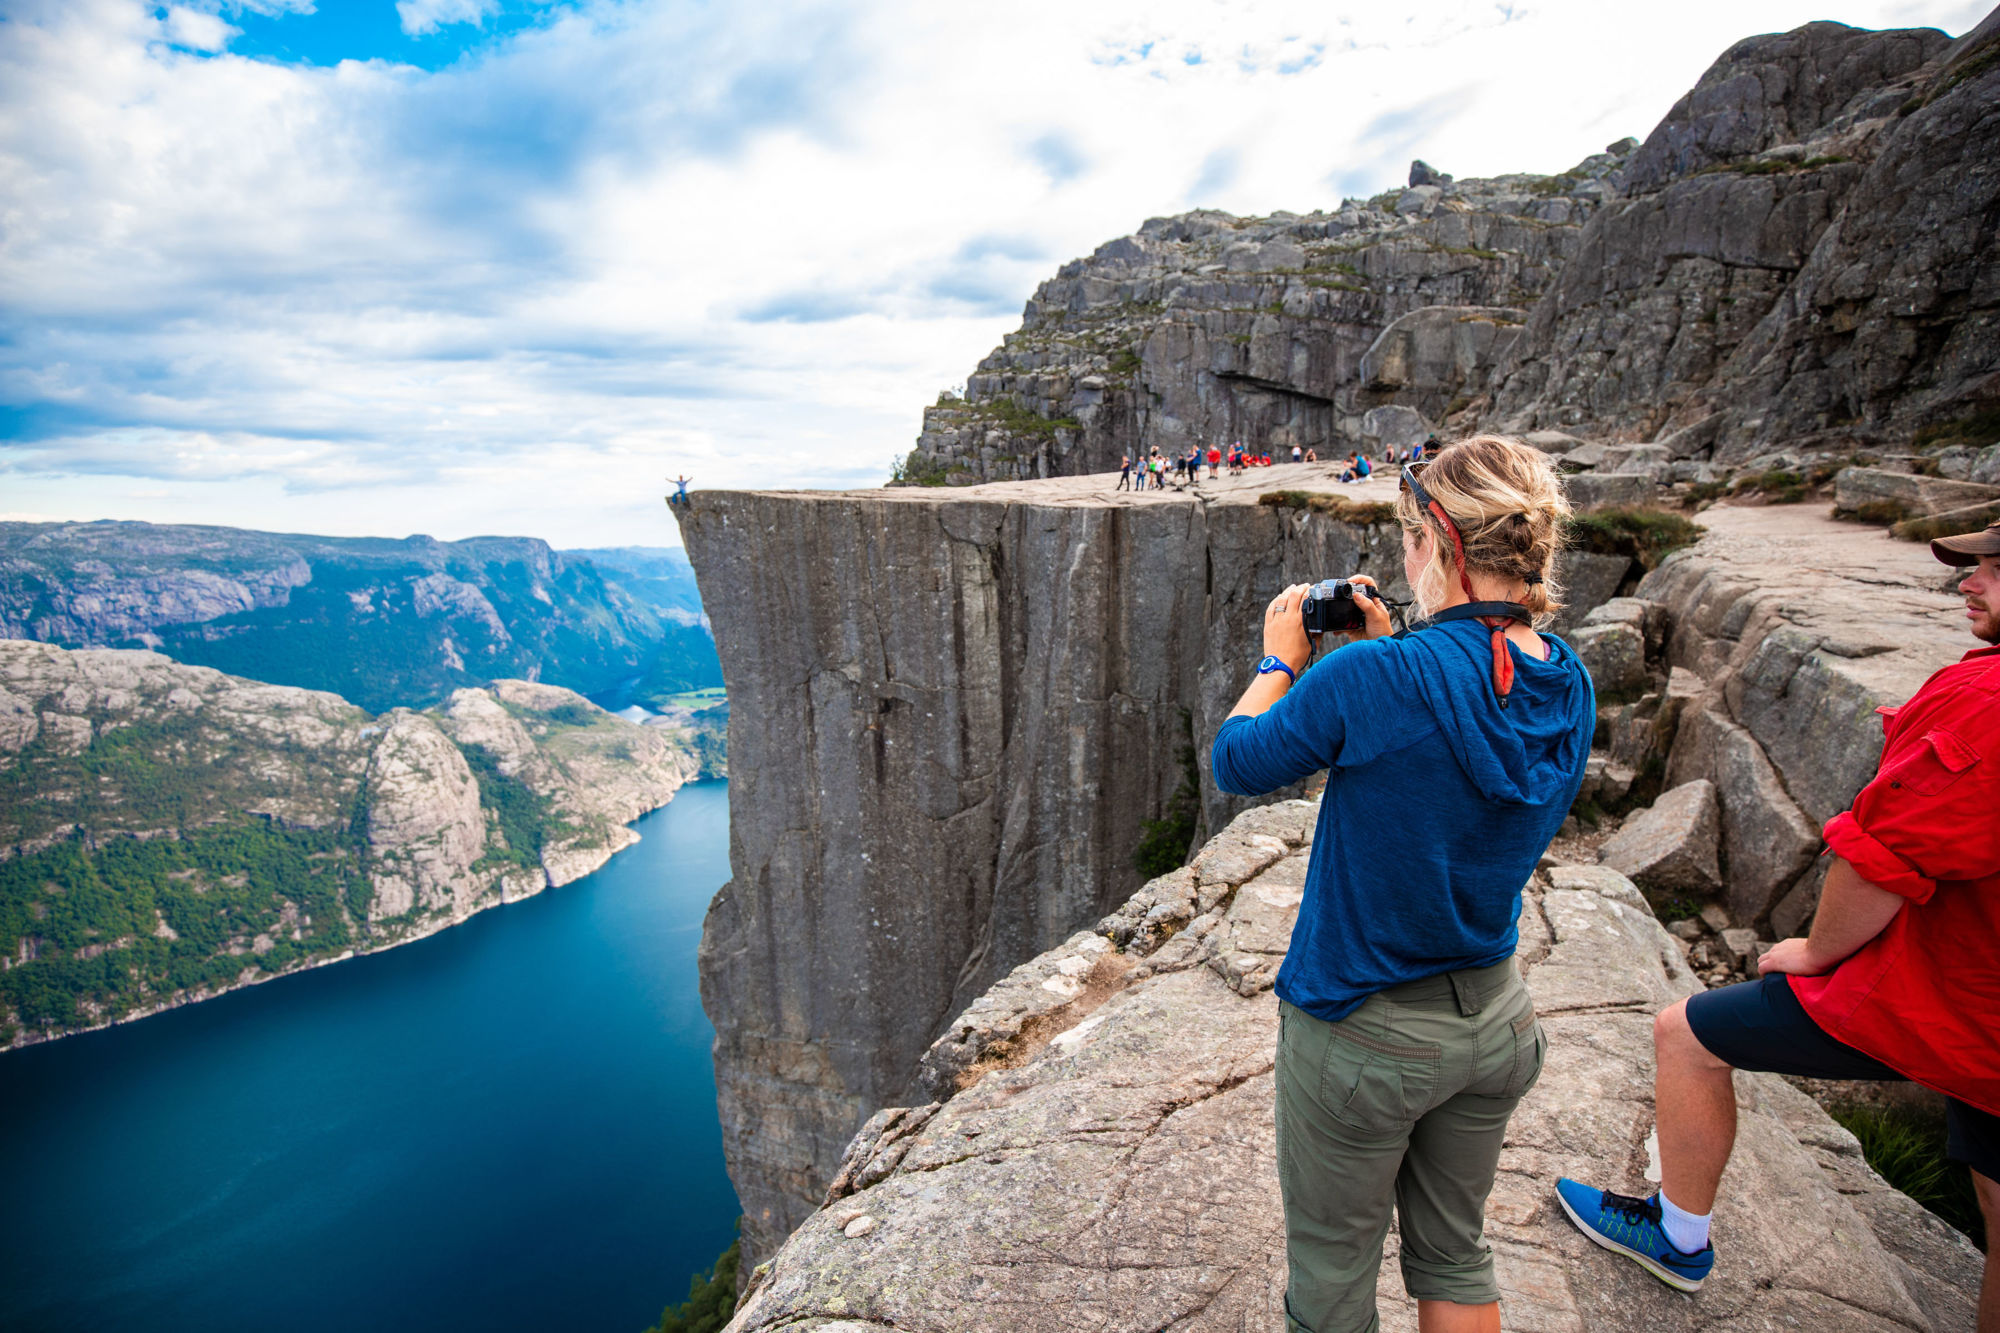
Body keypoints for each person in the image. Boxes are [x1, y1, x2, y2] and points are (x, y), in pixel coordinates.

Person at [1556, 520, 2000, 1324]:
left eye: (1994, 569)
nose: (1968, 582)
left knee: (1685, 1034)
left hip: (1957, 996)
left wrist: (1818, 950)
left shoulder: (1981, 701)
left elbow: (1880, 860)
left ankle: (1678, 1238)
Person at [1213, 436, 1593, 1333]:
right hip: (1495, 1021)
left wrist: (1281, 659)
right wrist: (1391, 650)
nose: (1406, 558)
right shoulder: (1568, 679)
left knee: (1334, 1273)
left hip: (1363, 1031)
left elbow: (1240, 759)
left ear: (1442, 545)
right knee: (1456, 1256)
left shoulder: (1371, 677)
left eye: (1412, 538)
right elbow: (1467, 711)